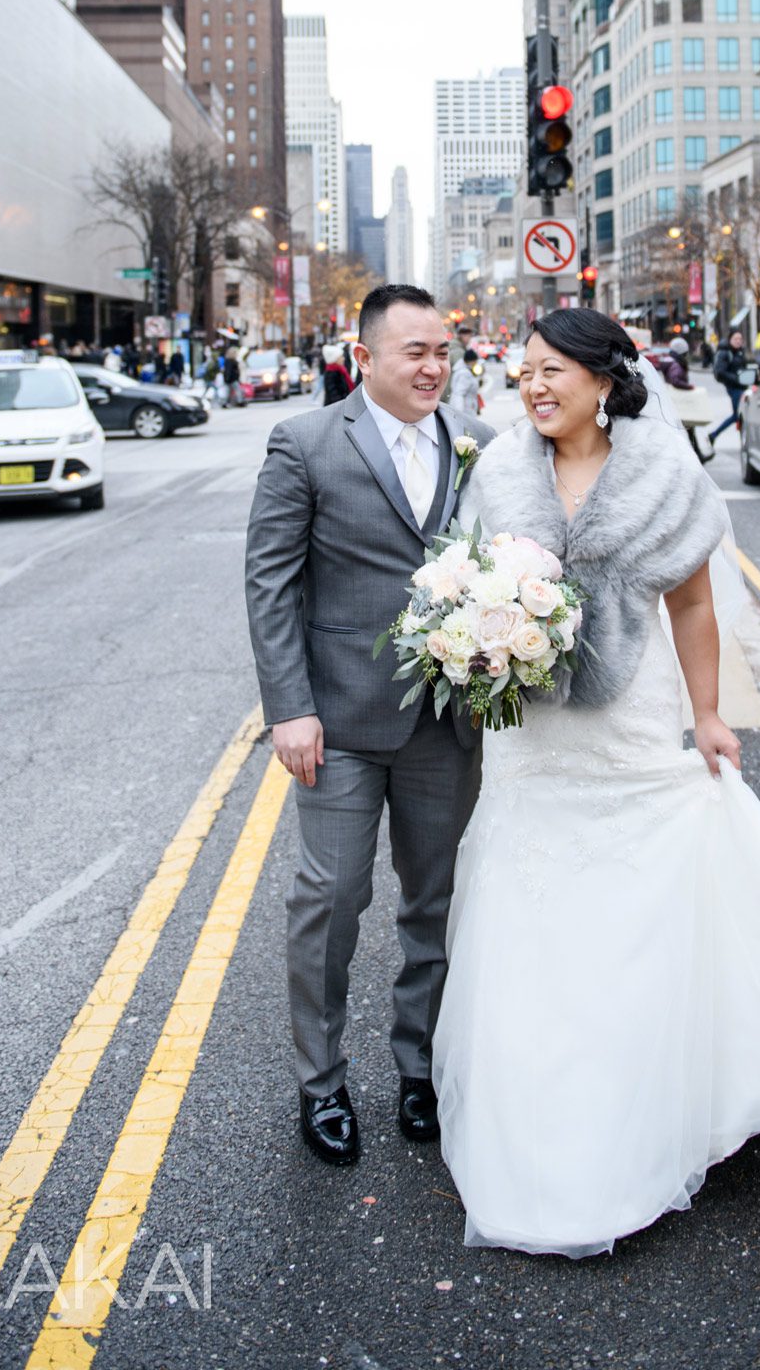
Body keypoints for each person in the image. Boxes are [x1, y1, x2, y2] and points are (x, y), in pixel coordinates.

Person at [433, 309, 760, 1256]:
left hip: (630, 719)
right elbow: (459, 583)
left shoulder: (663, 470)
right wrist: (474, 641)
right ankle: (537, 1117)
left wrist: (707, 713)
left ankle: (648, 1102)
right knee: (532, 920)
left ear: (605, 381)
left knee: (635, 912)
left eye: (552, 372)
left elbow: (691, 601)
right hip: (530, 738)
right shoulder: (494, 472)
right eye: (523, 372)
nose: (533, 387)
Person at [245, 285, 496, 1168]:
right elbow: (270, 583)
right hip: (339, 722)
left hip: (446, 720)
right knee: (330, 900)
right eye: (413, 353)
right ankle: (322, 1086)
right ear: (366, 359)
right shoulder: (306, 442)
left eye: (443, 352)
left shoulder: (481, 445)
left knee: (435, 903)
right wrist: (289, 708)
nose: (433, 368)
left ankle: (419, 1069)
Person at [703, 329, 750, 452]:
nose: (738, 341)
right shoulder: (725, 352)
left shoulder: (739, 352)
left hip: (741, 387)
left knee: (738, 415)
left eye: (740, 339)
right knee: (738, 415)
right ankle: (714, 435)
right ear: (730, 340)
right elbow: (720, 371)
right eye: (736, 339)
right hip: (734, 388)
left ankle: (714, 435)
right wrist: (737, 379)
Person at [448, 347, 482, 416]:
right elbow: (459, 394)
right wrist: (459, 414)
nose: (476, 363)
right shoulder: (464, 374)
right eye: (475, 361)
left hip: (467, 409)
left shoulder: (464, 371)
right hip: (466, 410)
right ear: (471, 361)